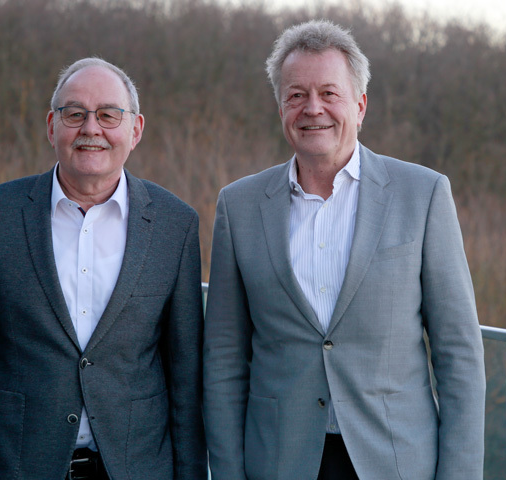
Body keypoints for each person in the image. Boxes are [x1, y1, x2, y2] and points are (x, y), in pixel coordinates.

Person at [203, 20, 486, 480]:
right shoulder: (239, 206)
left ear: (360, 105)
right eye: (296, 95)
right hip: (278, 462)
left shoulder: (423, 194)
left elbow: (459, 356)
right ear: (280, 108)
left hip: (396, 462)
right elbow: (224, 361)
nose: (312, 108)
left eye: (329, 93)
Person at [0, 57, 207, 480]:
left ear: (135, 129)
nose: (91, 128)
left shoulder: (175, 225)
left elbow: (186, 383)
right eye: (74, 114)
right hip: (16, 466)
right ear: (51, 126)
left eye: (109, 115)